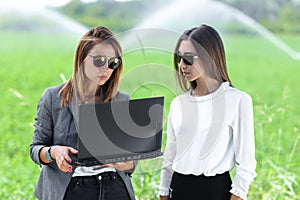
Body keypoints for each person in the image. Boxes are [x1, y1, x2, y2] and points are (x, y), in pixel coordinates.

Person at [30, 26, 136, 200]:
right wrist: (54, 152)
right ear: (81, 58)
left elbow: (131, 159)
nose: (106, 69)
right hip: (71, 190)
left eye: (113, 63)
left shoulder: (122, 101)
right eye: (99, 60)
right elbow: (36, 148)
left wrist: (127, 164)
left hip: (115, 187)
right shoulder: (53, 97)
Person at [158, 24, 256, 200]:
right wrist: (163, 191)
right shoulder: (178, 103)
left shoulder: (237, 101)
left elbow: (246, 165)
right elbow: (170, 154)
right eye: (179, 58)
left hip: (215, 191)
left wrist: (237, 196)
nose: (182, 65)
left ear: (209, 56)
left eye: (188, 58)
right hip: (178, 189)